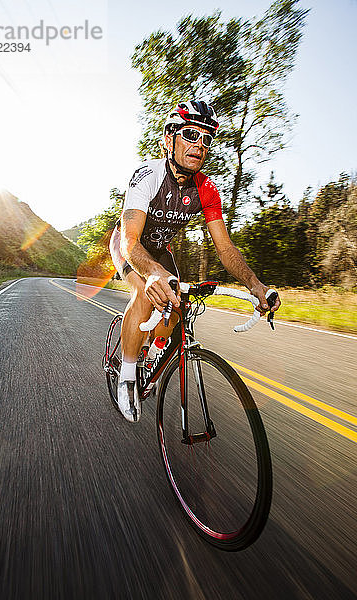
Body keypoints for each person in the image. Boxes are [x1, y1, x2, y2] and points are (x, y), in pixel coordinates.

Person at [110, 100, 281, 422]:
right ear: (168, 139)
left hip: (161, 251)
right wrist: (151, 274)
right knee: (146, 297)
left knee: (176, 307)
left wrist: (256, 285)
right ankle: (128, 375)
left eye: (207, 139)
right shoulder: (147, 175)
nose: (199, 145)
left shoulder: (207, 190)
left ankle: (156, 348)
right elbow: (132, 239)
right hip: (129, 244)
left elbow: (226, 248)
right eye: (190, 134)